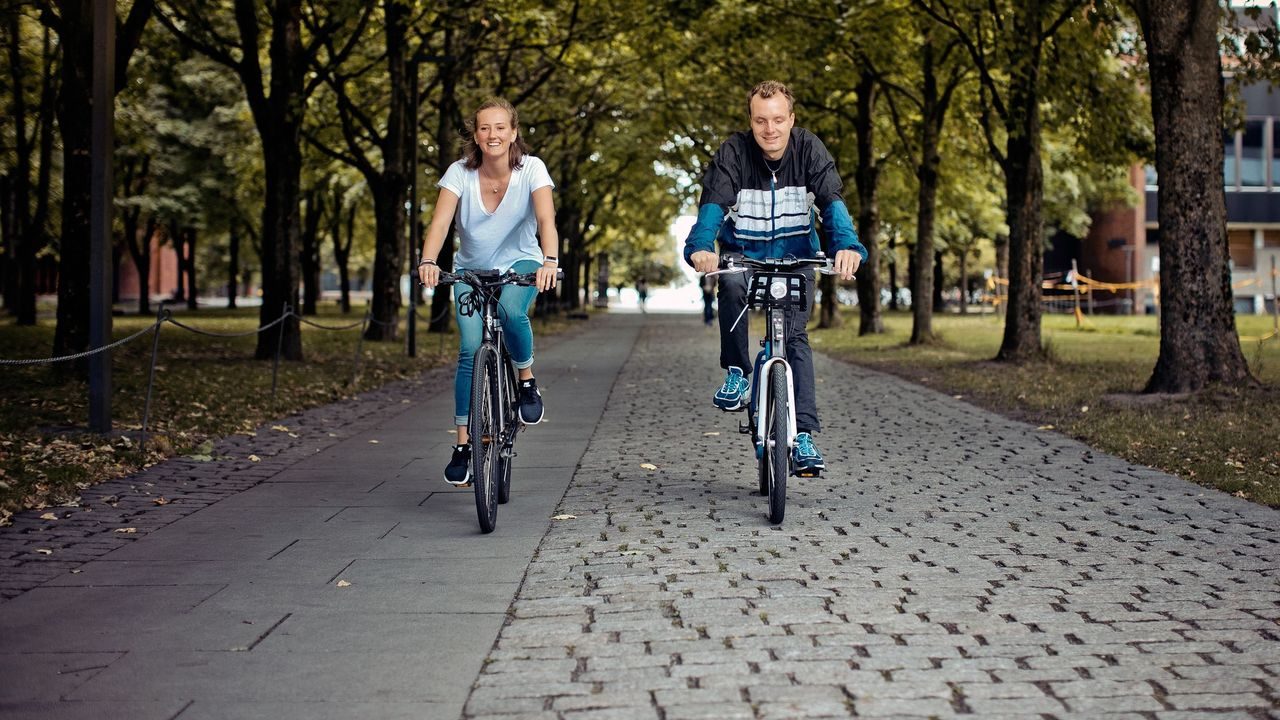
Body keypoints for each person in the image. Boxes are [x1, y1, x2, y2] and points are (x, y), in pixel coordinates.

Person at [683, 80, 867, 474]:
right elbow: (713, 205)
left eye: (778, 120)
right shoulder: (733, 152)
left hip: (798, 256)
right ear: (750, 121)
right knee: (730, 283)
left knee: (795, 337)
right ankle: (737, 372)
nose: (770, 129)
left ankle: (802, 436)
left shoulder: (809, 149)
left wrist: (847, 247)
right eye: (761, 120)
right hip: (743, 255)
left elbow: (832, 202)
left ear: (791, 119)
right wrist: (701, 247)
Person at [418, 98, 560, 487]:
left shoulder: (532, 168)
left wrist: (550, 260)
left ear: (513, 132)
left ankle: (526, 381)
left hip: (522, 264)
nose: (492, 134)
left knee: (513, 314)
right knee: (468, 349)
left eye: (500, 127)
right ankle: (464, 445)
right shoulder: (458, 174)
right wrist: (428, 261)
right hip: (471, 270)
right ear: (476, 136)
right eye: (484, 128)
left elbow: (546, 218)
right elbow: (440, 222)